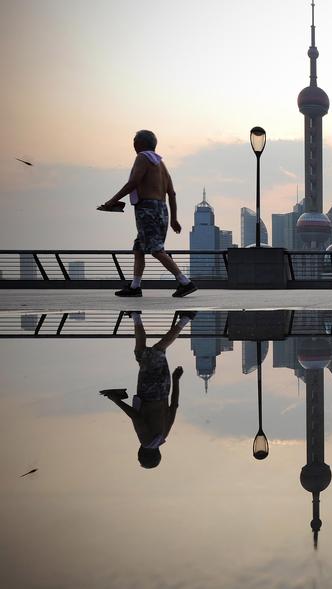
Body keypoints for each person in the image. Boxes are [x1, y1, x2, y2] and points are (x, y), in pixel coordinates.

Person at [98, 130, 197, 298]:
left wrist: (112, 201)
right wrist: (173, 218)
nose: (133, 144)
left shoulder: (142, 158)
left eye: (135, 141)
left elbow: (133, 182)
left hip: (147, 208)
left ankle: (185, 282)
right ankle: (135, 286)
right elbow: (171, 193)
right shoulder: (161, 164)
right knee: (139, 248)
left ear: (142, 144)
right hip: (161, 209)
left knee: (156, 249)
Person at [100, 311, 194, 468]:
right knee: (158, 350)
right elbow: (137, 418)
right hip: (150, 391)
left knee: (141, 353)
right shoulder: (146, 441)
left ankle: (136, 316)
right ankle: (186, 319)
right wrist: (116, 401)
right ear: (140, 453)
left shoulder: (163, 436)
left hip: (164, 389)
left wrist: (176, 380)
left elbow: (174, 406)